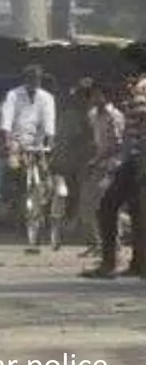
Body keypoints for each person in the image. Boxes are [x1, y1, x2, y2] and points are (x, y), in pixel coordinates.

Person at [87, 40, 146, 279]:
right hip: (135, 158)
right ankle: (138, 263)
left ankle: (110, 262)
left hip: (140, 159)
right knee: (136, 210)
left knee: (108, 206)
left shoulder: (141, 88)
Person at [0, 64, 56, 237]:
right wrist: (8, 141)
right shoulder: (13, 95)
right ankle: (7, 201)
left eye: (37, 79)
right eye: (31, 78)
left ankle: (43, 211)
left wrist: (50, 142)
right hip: (17, 140)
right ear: (25, 79)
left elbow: (49, 122)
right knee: (13, 168)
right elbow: (6, 120)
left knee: (45, 176)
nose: (34, 82)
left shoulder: (47, 97)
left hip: (37, 142)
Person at [80, 80, 126, 253]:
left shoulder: (115, 116)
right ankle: (99, 243)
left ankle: (114, 242)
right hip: (99, 162)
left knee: (107, 201)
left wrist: (97, 159)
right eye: (94, 95)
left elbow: (117, 144)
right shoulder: (92, 114)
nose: (96, 98)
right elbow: (96, 140)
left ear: (107, 96)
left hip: (114, 163)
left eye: (99, 94)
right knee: (90, 202)